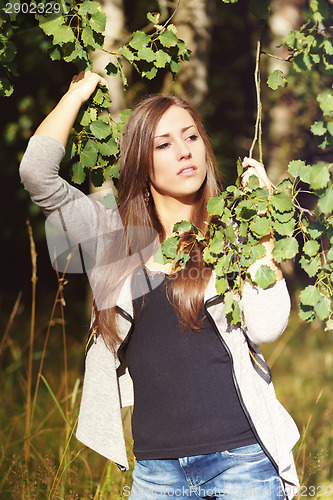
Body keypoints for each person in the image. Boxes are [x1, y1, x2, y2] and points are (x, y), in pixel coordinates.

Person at [19, 71, 300, 499]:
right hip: (156, 475)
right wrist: (78, 93)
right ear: (141, 162)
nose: (185, 152)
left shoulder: (230, 235)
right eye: (163, 144)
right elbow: (37, 174)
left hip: (242, 464)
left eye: (191, 137)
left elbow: (266, 328)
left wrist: (261, 236)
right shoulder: (114, 235)